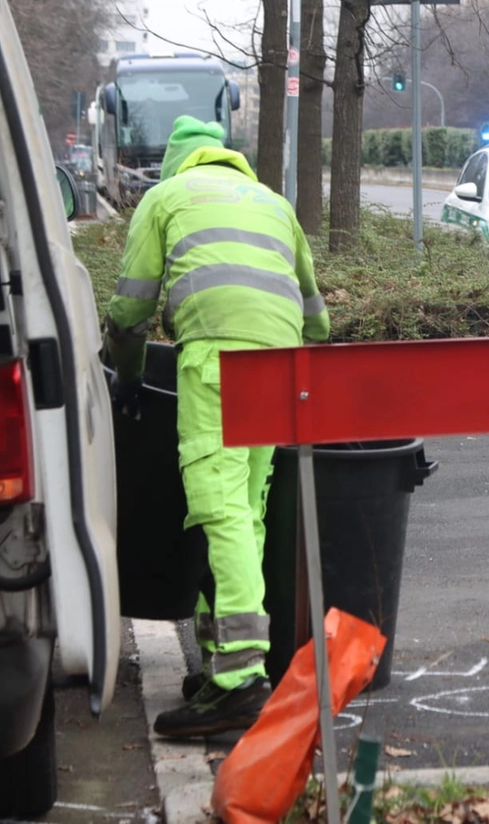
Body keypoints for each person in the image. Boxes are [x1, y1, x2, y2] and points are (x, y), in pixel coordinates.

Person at [105, 116, 330, 738]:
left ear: (181, 163)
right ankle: (220, 660)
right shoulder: (274, 203)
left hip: (214, 363)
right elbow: (317, 319)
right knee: (245, 512)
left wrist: (125, 377)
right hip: (279, 367)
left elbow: (129, 311)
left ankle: (238, 680)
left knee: (218, 507)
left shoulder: (166, 196)